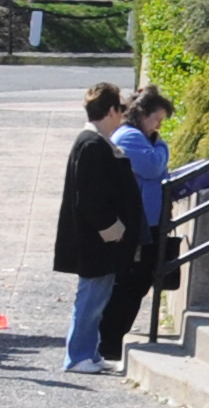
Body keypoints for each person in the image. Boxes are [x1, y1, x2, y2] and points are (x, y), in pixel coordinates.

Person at [53, 81, 140, 374]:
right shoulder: (92, 144)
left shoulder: (95, 142)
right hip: (95, 240)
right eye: (120, 110)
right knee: (90, 298)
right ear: (112, 110)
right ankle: (77, 356)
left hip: (97, 239)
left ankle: (88, 352)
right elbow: (91, 197)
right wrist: (112, 229)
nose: (122, 115)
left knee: (97, 298)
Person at [100, 87, 192, 364]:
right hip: (137, 223)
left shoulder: (142, 138)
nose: (159, 127)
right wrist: (162, 145)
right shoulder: (130, 137)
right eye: (157, 120)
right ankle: (109, 339)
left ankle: (111, 338)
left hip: (147, 221)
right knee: (131, 281)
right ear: (142, 115)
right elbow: (153, 167)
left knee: (138, 281)